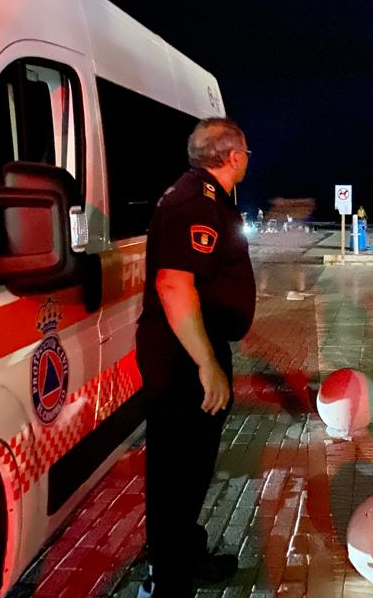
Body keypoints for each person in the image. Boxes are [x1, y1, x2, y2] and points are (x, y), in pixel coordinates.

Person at [135, 117, 256, 597]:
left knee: (193, 465)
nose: (248, 159)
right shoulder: (196, 203)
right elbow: (173, 282)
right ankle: (169, 580)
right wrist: (207, 363)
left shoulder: (205, 197)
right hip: (184, 355)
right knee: (176, 470)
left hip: (192, 348)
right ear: (232, 156)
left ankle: (184, 553)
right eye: (246, 151)